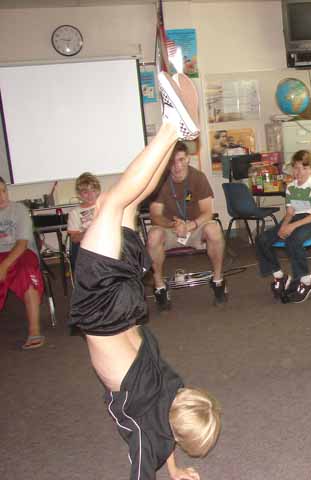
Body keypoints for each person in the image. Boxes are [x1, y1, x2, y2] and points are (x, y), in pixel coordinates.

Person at [69, 71, 221, 480]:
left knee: (122, 201)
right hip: (104, 311)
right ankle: (172, 128)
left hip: (128, 305)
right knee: (115, 202)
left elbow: (162, 437)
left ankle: (173, 132)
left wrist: (174, 471)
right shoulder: (146, 421)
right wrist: (173, 470)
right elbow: (154, 446)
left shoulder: (172, 387)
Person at [147, 141, 227, 308]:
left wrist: (190, 225)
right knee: (153, 235)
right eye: (172, 161)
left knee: (214, 229)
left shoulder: (198, 177)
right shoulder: (160, 181)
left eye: (181, 160)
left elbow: (207, 212)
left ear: (188, 159)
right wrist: (172, 224)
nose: (177, 166)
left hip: (195, 227)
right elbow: (155, 215)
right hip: (170, 229)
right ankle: (159, 286)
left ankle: (218, 279)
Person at [256, 150, 311, 303]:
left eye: (304, 168)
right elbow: (289, 212)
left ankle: (306, 281)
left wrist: (292, 227)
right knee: (262, 239)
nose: (299, 172)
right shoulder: (290, 187)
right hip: (294, 219)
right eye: (296, 168)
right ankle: (279, 276)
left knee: (293, 240)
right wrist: (284, 226)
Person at [0, 177, 45, 350]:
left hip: (21, 252)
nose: (2, 196)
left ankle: (34, 330)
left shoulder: (19, 210)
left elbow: (22, 244)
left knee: (26, 272)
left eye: (3, 191)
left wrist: (4, 266)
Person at [67, 172, 101, 270]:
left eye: (93, 190)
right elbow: (74, 239)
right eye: (85, 192)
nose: (90, 195)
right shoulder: (74, 213)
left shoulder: (105, 205)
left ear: (98, 191)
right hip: (88, 250)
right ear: (79, 194)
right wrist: (90, 232)